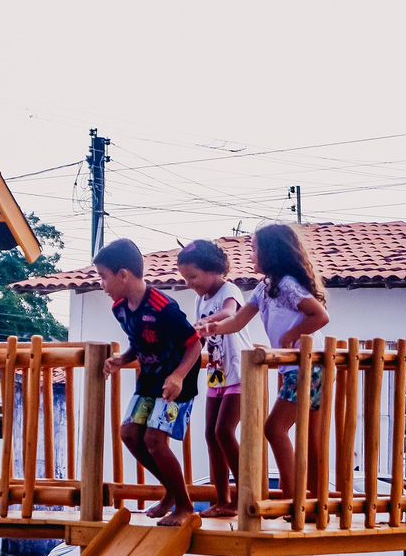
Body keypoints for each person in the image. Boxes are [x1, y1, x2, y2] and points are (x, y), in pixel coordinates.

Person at [198, 223, 330, 500]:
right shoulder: (264, 288)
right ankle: (307, 499)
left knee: (276, 428)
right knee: (305, 435)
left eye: (255, 249)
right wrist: (213, 328)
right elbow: (237, 321)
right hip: (296, 370)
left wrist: (292, 335)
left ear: (271, 253)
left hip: (307, 369)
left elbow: (320, 316)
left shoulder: (287, 286)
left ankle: (293, 497)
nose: (252, 255)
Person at [95, 238, 202, 527]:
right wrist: (122, 359)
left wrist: (178, 376)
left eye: (103, 277)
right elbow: (139, 342)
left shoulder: (163, 307)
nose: (101, 285)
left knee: (155, 440)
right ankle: (171, 492)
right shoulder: (120, 308)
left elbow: (194, 344)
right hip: (149, 382)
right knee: (129, 434)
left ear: (123, 275)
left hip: (175, 385)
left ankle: (185, 506)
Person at [177, 238, 244, 518]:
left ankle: (244, 495)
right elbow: (200, 341)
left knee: (223, 431)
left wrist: (206, 322)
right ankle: (222, 498)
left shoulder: (229, 290)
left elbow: (229, 313)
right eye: (186, 278)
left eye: (193, 277)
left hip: (239, 370)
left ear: (213, 269)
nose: (190, 283)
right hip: (216, 373)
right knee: (210, 434)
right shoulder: (200, 299)